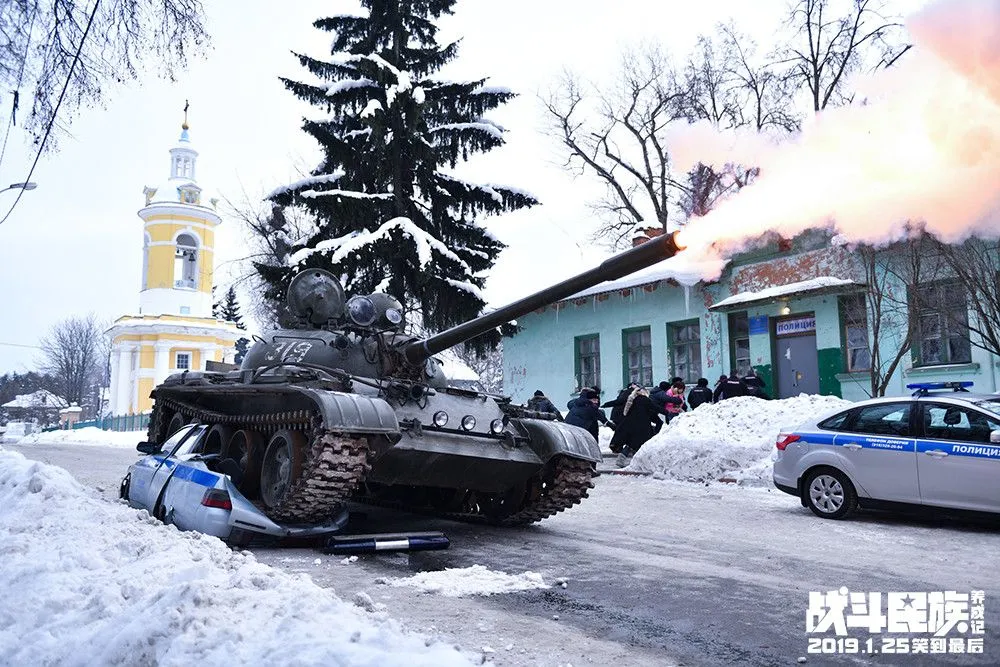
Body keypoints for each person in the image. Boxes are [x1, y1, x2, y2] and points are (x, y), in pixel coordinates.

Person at [608, 385, 675, 466]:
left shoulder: (632, 400)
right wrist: (667, 412)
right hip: (642, 426)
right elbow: (655, 407)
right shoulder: (644, 400)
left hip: (631, 424)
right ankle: (642, 462)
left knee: (631, 443)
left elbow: (619, 403)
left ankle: (623, 459)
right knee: (643, 443)